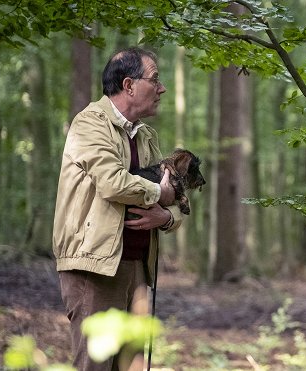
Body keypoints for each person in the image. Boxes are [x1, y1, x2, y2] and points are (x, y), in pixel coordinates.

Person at [53, 47, 183, 371]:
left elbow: (176, 193)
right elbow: (113, 183)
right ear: (129, 85)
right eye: (155, 80)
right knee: (95, 366)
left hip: (138, 267)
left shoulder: (146, 135)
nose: (162, 88)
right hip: (94, 269)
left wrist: (165, 216)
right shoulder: (89, 123)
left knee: (132, 367)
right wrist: (160, 193)